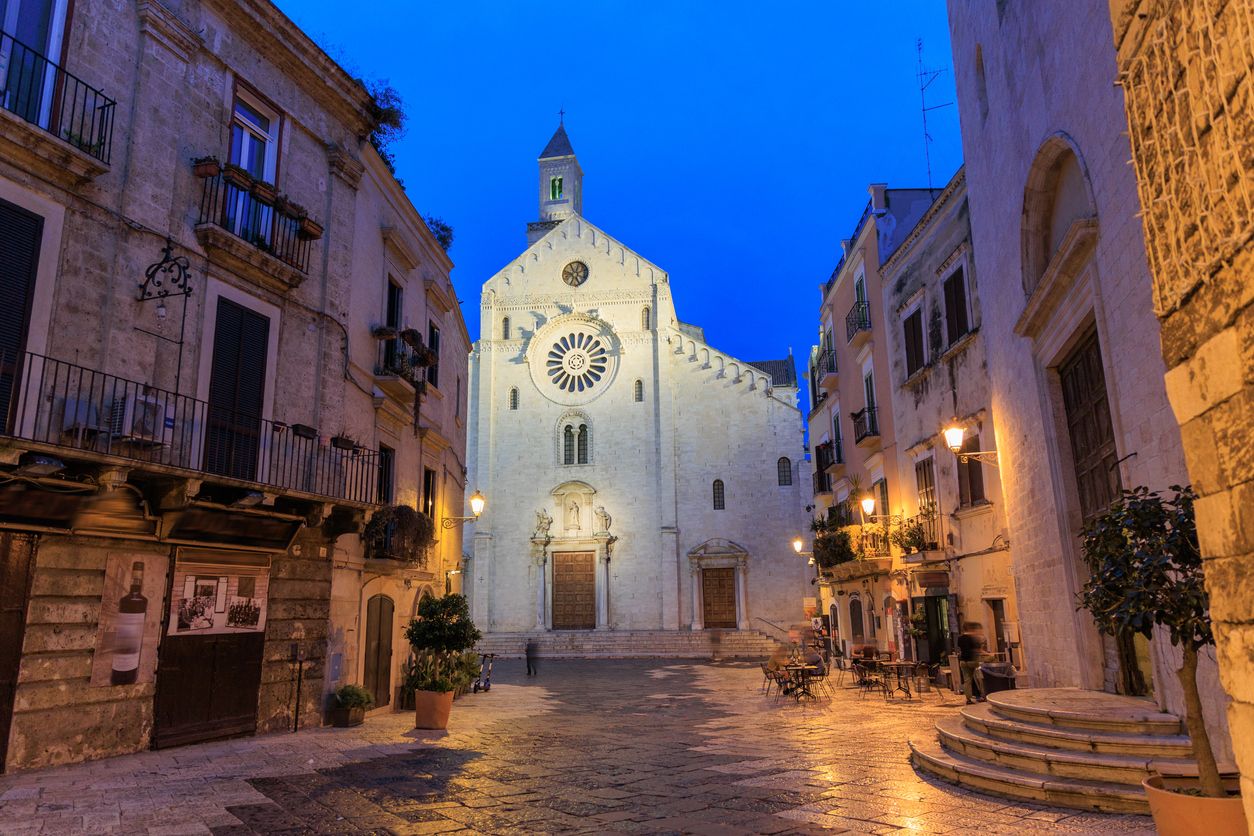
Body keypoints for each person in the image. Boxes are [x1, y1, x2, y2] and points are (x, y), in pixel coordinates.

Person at [957, 621, 987, 704]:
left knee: (967, 680)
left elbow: (960, 648)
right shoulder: (972, 638)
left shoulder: (960, 638)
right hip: (972, 661)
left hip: (963, 661)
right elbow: (978, 650)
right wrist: (987, 654)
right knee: (979, 678)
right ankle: (982, 695)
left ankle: (968, 699)